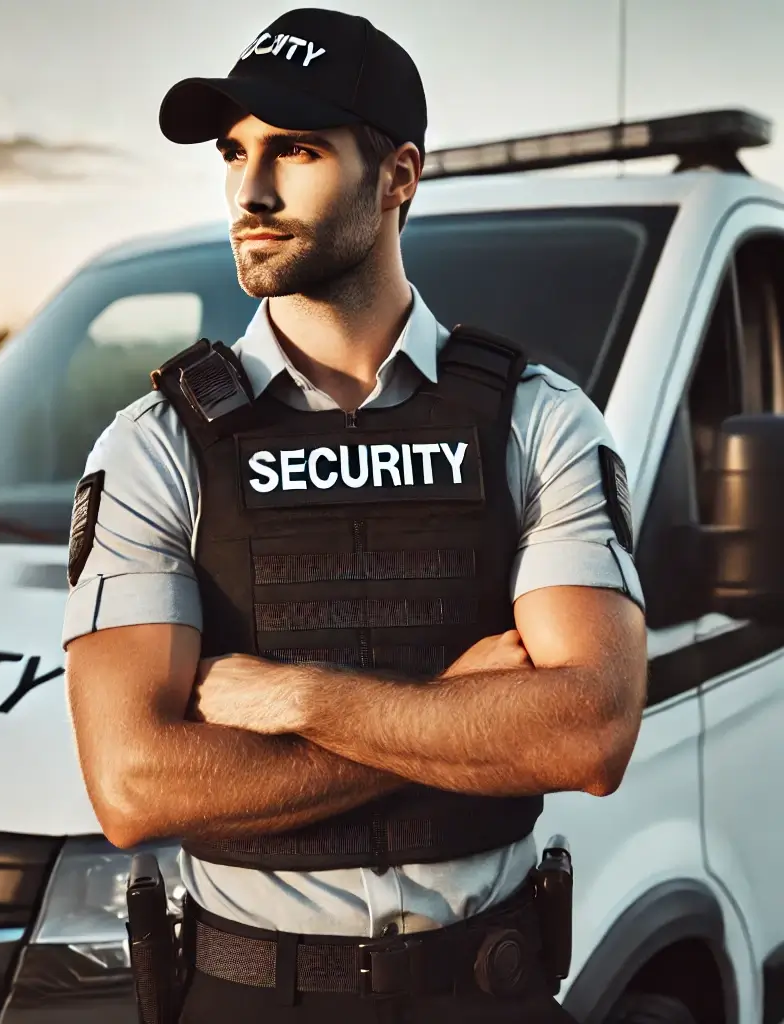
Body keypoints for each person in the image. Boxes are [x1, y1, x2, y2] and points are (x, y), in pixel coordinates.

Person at [62, 8, 648, 1023]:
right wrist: (451, 710)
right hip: (247, 994)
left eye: (294, 150)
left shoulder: (536, 419)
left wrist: (298, 697)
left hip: (485, 988)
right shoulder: (156, 443)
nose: (250, 190)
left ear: (398, 178)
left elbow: (587, 733)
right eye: (234, 152)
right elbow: (135, 786)